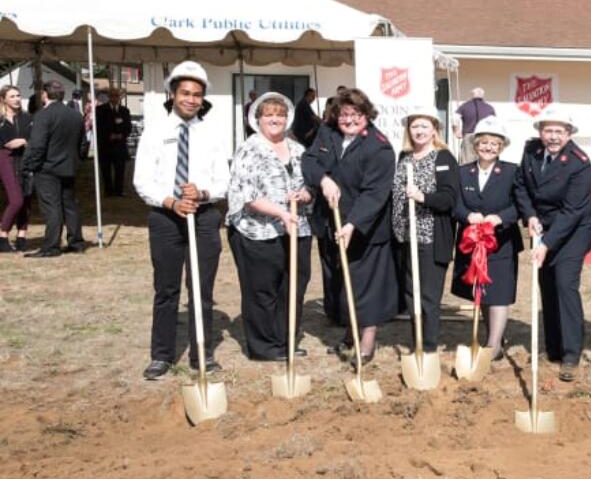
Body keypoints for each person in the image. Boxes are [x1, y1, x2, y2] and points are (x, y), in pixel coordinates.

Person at [133, 61, 231, 379]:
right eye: (185, 93)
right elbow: (142, 180)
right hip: (165, 218)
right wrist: (171, 201)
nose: (191, 99)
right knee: (166, 288)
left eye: (197, 94)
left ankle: (202, 354)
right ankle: (161, 355)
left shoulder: (213, 133)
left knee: (201, 288)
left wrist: (201, 193)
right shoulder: (155, 131)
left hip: (204, 217)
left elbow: (223, 180)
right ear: (173, 94)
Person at [302, 87, 396, 366]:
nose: (349, 120)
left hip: (365, 228)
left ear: (366, 115)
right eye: (344, 114)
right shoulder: (327, 133)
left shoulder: (379, 146)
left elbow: (375, 193)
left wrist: (353, 223)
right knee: (340, 283)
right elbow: (309, 161)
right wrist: (323, 179)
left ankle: (366, 343)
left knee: (365, 286)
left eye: (356, 114)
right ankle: (349, 334)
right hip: (330, 221)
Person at [226, 92, 314, 362]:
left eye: (280, 114)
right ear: (258, 119)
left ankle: (286, 338)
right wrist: (280, 212)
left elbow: (310, 183)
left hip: (296, 229)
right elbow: (247, 196)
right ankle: (264, 346)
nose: (275, 119)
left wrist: (307, 194)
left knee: (294, 285)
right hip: (257, 230)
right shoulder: (248, 149)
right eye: (269, 115)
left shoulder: (298, 149)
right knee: (263, 289)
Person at [514, 103, 591, 382]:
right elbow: (520, 186)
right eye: (548, 131)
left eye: (559, 132)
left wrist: (547, 243)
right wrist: (530, 215)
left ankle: (571, 354)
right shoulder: (531, 151)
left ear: (569, 134)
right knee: (546, 285)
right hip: (542, 225)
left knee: (564, 285)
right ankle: (553, 347)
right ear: (540, 132)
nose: (553, 137)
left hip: (572, 231)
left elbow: (572, 211)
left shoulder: (579, 163)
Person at [451, 116, 523, 359]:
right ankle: (495, 332)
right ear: (475, 144)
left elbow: (520, 204)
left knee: (499, 292)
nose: (488, 147)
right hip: (471, 242)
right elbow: (454, 204)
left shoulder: (513, 172)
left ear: (501, 147)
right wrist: (467, 214)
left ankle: (493, 346)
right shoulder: (462, 173)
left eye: (495, 143)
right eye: (484, 142)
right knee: (479, 291)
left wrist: (500, 218)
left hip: (500, 243)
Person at [392, 106, 460, 356]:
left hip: (430, 237)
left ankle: (428, 347)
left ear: (434, 129)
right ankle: (416, 341)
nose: (419, 131)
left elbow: (450, 198)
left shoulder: (443, 158)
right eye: (414, 126)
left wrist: (423, 196)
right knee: (411, 294)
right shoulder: (404, 157)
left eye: (424, 126)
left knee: (428, 296)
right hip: (404, 236)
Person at [21, 80, 86, 257]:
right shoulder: (75, 115)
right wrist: (76, 161)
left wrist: (31, 166)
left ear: (45, 94)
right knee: (70, 205)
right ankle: (76, 242)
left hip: (47, 168)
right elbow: (83, 145)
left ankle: (51, 246)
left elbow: (38, 145)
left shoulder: (43, 115)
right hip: (69, 167)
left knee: (52, 207)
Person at [0, 85, 33, 252]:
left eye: (18, 95)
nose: (17, 99)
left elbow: (32, 138)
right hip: (5, 158)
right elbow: (7, 143)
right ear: (3, 99)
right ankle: (3, 234)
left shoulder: (26, 118)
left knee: (26, 197)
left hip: (25, 159)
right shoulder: (1, 119)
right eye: (12, 96)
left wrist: (24, 141)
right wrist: (20, 141)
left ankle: (21, 234)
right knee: (16, 199)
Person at [94, 86, 133, 197]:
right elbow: (99, 127)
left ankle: (119, 190)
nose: (114, 98)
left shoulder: (124, 111)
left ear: (119, 97)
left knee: (120, 170)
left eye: (117, 96)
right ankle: (108, 191)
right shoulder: (100, 110)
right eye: (112, 96)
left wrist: (122, 135)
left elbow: (128, 127)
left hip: (120, 146)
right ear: (109, 97)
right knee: (106, 170)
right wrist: (108, 136)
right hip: (106, 146)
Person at [453, 87, 496, 163]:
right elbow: (494, 123)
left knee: (466, 162)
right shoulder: (489, 108)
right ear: (483, 95)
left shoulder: (465, 106)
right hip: (484, 136)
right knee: (484, 161)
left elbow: (455, 118)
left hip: (469, 136)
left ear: (472, 95)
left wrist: (456, 130)